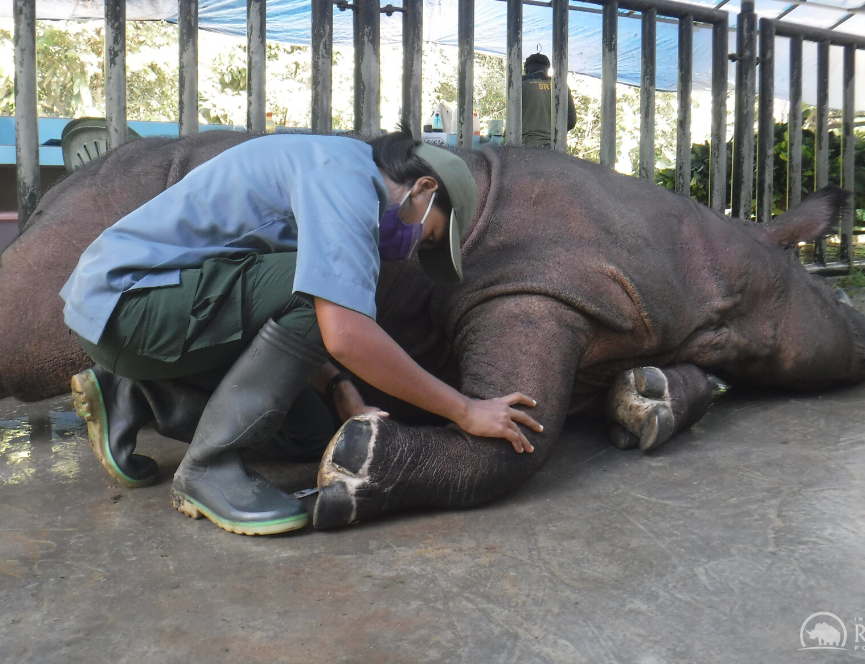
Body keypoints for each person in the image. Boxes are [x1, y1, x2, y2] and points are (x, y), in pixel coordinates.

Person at [62, 129, 542, 536]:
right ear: (422, 188)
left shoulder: (337, 169)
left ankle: (135, 391)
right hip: (130, 303)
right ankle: (209, 467)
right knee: (327, 302)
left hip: (133, 317)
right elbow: (342, 331)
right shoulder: (345, 180)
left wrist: (338, 387)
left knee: (310, 433)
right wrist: (465, 410)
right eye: (431, 235)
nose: (415, 248)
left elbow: (277, 311)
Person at [520, 52, 577, 149]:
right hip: (557, 147)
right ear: (548, 69)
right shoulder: (560, 86)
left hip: (527, 145)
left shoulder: (520, 83)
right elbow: (571, 120)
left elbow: (512, 118)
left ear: (526, 68)